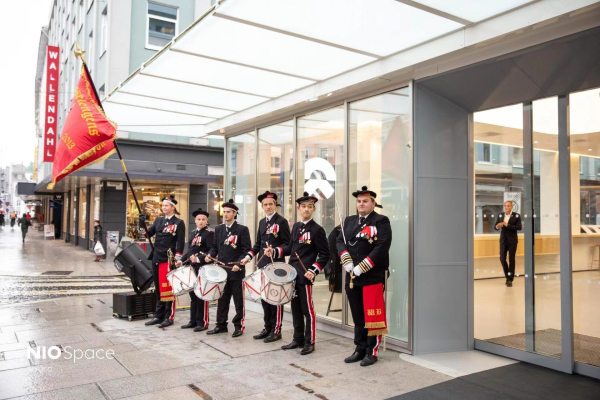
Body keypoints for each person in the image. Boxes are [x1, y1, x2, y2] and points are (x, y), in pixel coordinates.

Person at [268, 192, 329, 355]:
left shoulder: (318, 230)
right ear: (298, 208)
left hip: (306, 275)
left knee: (307, 310)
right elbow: (290, 249)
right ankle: (298, 338)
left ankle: (310, 341)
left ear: (314, 209)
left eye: (310, 206)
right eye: (303, 206)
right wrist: (274, 251)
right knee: (295, 308)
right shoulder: (295, 226)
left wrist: (314, 270)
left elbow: (325, 254)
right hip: (292, 274)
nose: (306, 209)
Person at [337, 186, 392, 367]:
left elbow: (381, 247)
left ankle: (371, 351)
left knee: (372, 316)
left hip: (372, 276)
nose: (361, 204)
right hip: (352, 277)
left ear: (373, 203)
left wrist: (363, 266)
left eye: (365, 201)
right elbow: (340, 241)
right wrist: (346, 260)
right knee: (358, 315)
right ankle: (359, 348)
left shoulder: (381, 221)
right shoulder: (349, 221)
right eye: (359, 201)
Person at [241, 191, 291, 343]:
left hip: (277, 267)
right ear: (262, 206)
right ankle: (267, 327)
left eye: (271, 204)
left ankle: (276, 330)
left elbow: (288, 245)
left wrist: (275, 251)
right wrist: (248, 256)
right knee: (265, 298)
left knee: (275, 298)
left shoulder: (281, 222)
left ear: (275, 205)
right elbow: (257, 244)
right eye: (265, 204)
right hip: (263, 266)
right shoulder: (262, 222)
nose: (268, 207)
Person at [205, 199, 251, 338]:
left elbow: (246, 250)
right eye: (224, 212)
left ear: (234, 213)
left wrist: (239, 264)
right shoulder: (218, 229)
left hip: (236, 270)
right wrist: (210, 255)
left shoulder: (242, 229)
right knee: (222, 299)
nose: (225, 214)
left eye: (228, 212)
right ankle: (221, 325)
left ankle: (238, 326)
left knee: (238, 300)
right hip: (222, 271)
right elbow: (214, 247)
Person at [144, 195, 186, 328]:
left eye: (166, 205)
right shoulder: (158, 221)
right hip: (156, 257)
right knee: (158, 288)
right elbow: (148, 234)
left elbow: (180, 243)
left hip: (168, 259)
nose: (163, 207)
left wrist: (178, 258)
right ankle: (158, 315)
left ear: (173, 207)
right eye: (162, 205)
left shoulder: (179, 223)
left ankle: (169, 316)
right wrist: (142, 224)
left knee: (168, 288)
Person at [178, 208, 214, 332]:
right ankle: (193, 321)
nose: (201, 221)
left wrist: (199, 259)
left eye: (203, 219)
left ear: (206, 221)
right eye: (199, 219)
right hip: (191, 268)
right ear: (195, 220)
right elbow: (189, 251)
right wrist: (181, 261)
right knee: (193, 295)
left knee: (201, 295)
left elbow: (211, 251)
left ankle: (202, 322)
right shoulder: (193, 233)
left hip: (202, 267)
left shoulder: (209, 233)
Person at [494, 200, 522, 287]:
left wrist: (507, 225)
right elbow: (495, 227)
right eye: (505, 206)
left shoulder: (516, 216)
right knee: (502, 258)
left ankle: (510, 279)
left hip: (512, 241)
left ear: (512, 206)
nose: (506, 207)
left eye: (508, 206)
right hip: (503, 240)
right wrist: (497, 226)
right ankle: (507, 276)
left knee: (511, 259)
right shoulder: (500, 215)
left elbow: (519, 227)